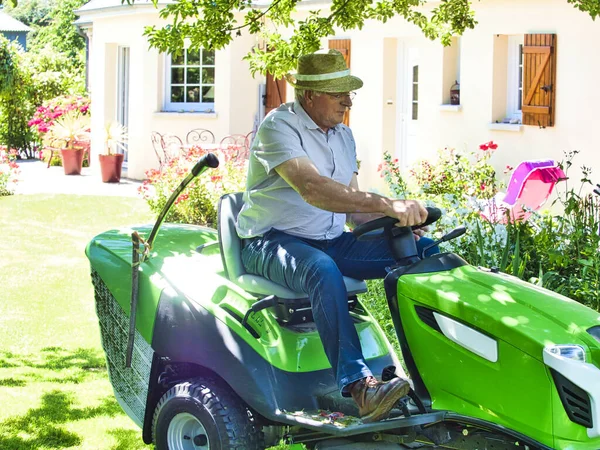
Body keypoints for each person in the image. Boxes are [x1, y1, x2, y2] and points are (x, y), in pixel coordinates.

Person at [236, 49, 437, 423]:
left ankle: (436, 368)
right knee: (322, 269)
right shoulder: (279, 127)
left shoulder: (343, 136)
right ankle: (361, 387)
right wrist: (388, 203)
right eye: (337, 92)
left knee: (424, 253)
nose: (347, 100)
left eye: (349, 93)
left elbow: (354, 211)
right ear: (309, 95)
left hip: (330, 239)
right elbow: (312, 188)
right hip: (270, 241)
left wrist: (399, 227)